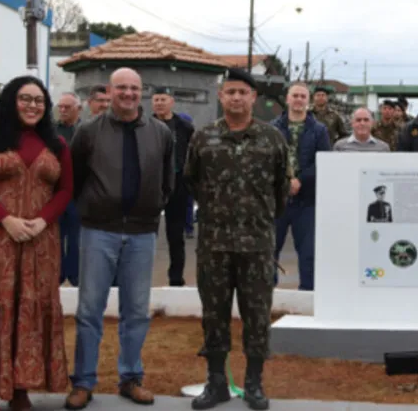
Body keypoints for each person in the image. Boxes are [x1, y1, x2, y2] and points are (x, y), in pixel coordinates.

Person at [0, 76, 73, 411]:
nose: (32, 105)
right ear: (11, 100)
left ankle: (20, 388)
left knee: (29, 311)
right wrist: (6, 219)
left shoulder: (57, 143)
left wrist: (42, 220)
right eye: (25, 98)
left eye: (39, 100)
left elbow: (65, 189)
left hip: (40, 241)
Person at [65, 67, 175, 409]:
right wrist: (93, 208)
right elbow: (76, 178)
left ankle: (131, 379)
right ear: (109, 92)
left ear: (141, 92)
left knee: (137, 311)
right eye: (121, 88)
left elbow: (168, 181)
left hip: (142, 234)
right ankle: (83, 383)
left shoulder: (161, 133)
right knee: (89, 310)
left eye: (134, 88)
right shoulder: (87, 132)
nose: (128, 93)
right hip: (98, 231)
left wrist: (153, 206)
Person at [184, 68, 289, 410]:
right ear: (220, 96)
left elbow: (281, 190)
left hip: (257, 246)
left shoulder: (272, 139)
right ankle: (216, 384)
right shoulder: (203, 137)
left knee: (257, 316)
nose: (236, 98)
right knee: (213, 315)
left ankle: (254, 384)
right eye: (230, 92)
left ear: (253, 97)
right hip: (214, 245)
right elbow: (192, 181)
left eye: (243, 92)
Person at [271, 82, 330, 291]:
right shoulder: (272, 128)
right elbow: (267, 160)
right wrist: (286, 181)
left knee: (308, 251)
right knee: (270, 248)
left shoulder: (319, 130)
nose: (298, 100)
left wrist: (300, 180)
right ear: (287, 99)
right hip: (277, 199)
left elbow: (323, 160)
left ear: (308, 101)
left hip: (307, 199)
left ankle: (308, 293)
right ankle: (266, 292)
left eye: (303, 96)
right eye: (294, 95)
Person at [151, 86, 195, 286]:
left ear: (172, 102)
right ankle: (140, 278)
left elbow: (193, 155)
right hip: (150, 187)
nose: (159, 103)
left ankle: (176, 278)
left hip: (178, 186)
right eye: (156, 99)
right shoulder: (144, 124)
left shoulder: (184, 127)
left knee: (175, 236)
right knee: (146, 236)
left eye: (163, 99)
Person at [55, 92, 83, 286]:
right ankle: (56, 275)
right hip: (55, 194)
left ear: (78, 109)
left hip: (79, 194)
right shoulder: (50, 131)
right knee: (55, 238)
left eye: (68, 107)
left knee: (77, 239)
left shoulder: (86, 130)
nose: (63, 110)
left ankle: (75, 276)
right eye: (61, 107)